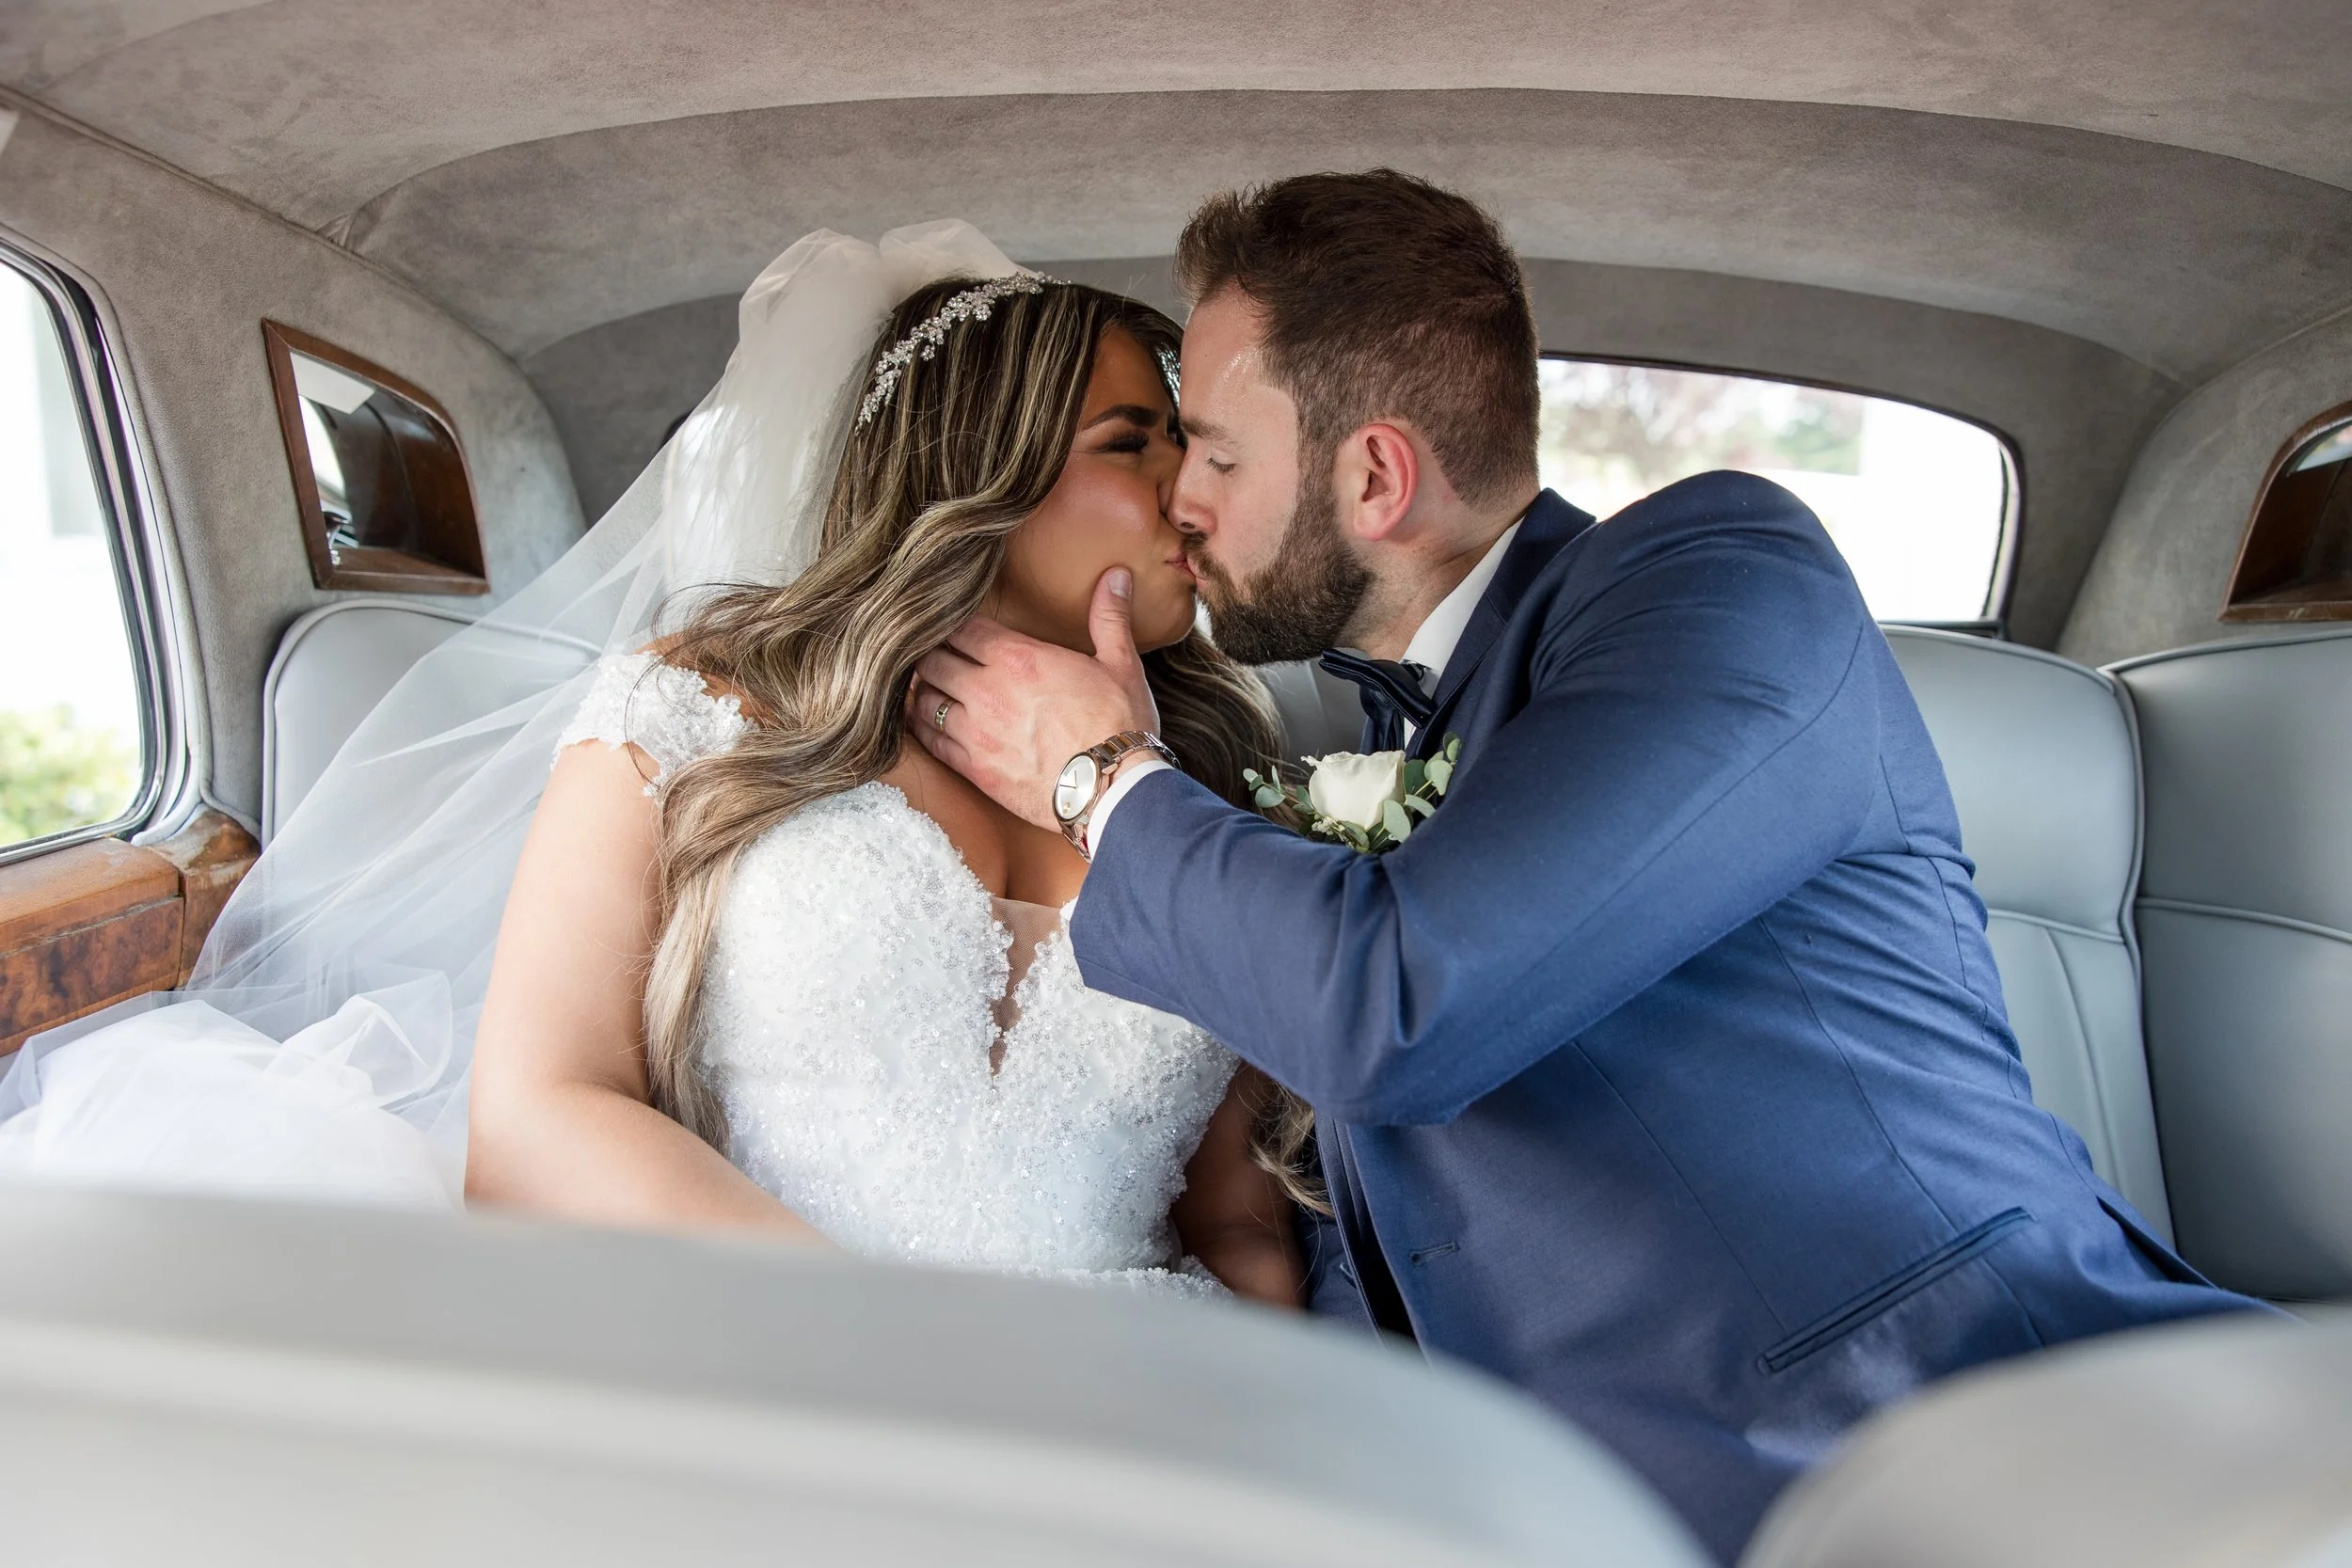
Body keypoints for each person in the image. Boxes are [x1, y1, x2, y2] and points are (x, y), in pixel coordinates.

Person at [907, 171, 2269, 1560]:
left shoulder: (1726, 584)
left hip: (2007, 1452)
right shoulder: (1363, 729)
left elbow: (1400, 1004)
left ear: (1373, 476)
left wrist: (1099, 781)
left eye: (1216, 453)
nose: (1180, 500)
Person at [0, 224, 1300, 1307]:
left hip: (1145, 1409)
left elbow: (1237, 1223)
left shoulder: (1213, 793)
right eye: (1135, 441)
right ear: (977, 474)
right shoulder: (700, 709)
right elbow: (535, 1119)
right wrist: (897, 1357)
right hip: (773, 1368)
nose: (1193, 489)